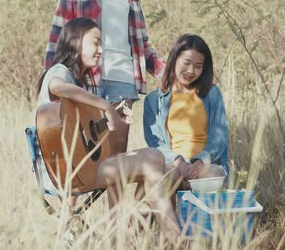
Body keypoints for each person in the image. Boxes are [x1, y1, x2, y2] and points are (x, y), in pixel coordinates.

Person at [37, 17, 179, 236]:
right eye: (95, 42)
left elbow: (83, 137)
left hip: (77, 168)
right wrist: (105, 106)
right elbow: (57, 87)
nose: (101, 49)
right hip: (65, 174)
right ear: (76, 42)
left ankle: (126, 233)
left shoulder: (79, 83)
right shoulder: (60, 71)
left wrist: (112, 114)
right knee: (152, 157)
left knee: (154, 160)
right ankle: (169, 233)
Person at [45, 0, 165, 154]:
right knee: (83, 154)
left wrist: (165, 72)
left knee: (117, 157)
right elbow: (58, 35)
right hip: (84, 79)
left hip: (122, 78)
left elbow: (141, 42)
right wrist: (50, 80)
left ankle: (116, 194)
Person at [143, 34, 229, 190]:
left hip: (206, 165)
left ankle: (202, 213)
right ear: (175, 59)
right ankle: (167, 214)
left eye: (198, 66)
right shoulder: (153, 100)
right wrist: (179, 163)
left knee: (212, 175)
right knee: (163, 177)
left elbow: (220, 137)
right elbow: (155, 143)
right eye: (187, 63)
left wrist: (199, 163)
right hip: (173, 164)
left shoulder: (212, 94)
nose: (191, 71)